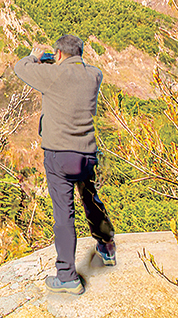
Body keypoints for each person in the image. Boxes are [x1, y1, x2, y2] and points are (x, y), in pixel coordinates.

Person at [13, 34, 116, 295]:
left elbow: (20, 67)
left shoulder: (53, 76)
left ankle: (67, 276)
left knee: (64, 214)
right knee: (90, 199)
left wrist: (36, 57)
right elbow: (83, 68)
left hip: (59, 155)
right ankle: (106, 246)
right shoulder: (94, 75)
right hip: (87, 154)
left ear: (58, 55)